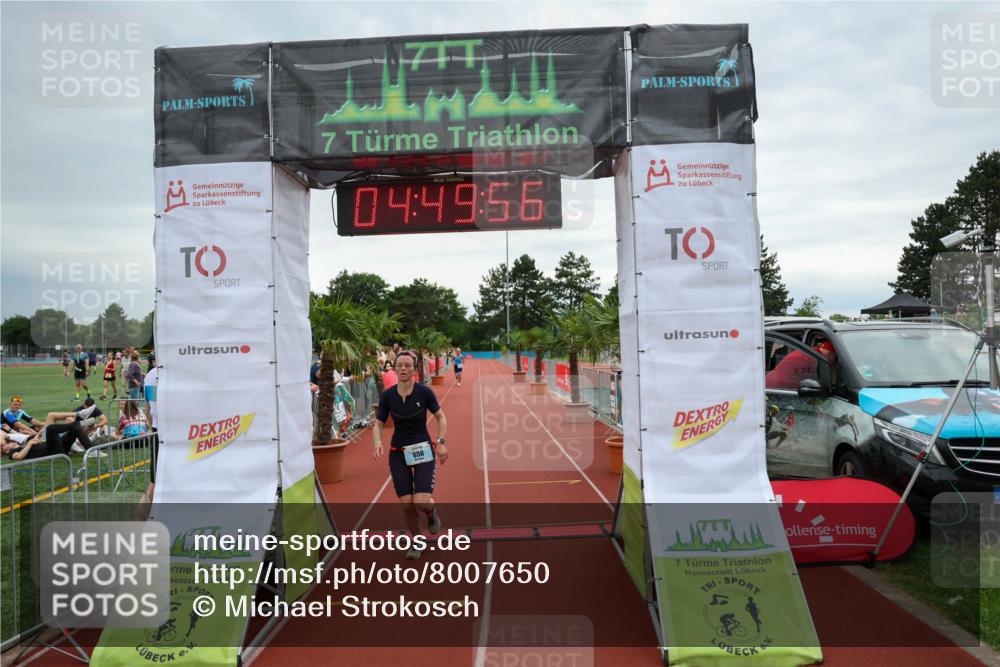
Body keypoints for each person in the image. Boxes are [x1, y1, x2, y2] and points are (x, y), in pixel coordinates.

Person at [372, 351, 448, 560]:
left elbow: (441, 418)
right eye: (400, 365)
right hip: (398, 452)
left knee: (421, 500)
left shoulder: (424, 393)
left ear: (414, 370)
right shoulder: (387, 396)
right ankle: (417, 540)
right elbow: (378, 424)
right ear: (394, 369)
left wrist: (440, 443)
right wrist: (377, 442)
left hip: (422, 449)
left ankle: (432, 513)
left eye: (407, 365)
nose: (403, 369)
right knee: (406, 503)